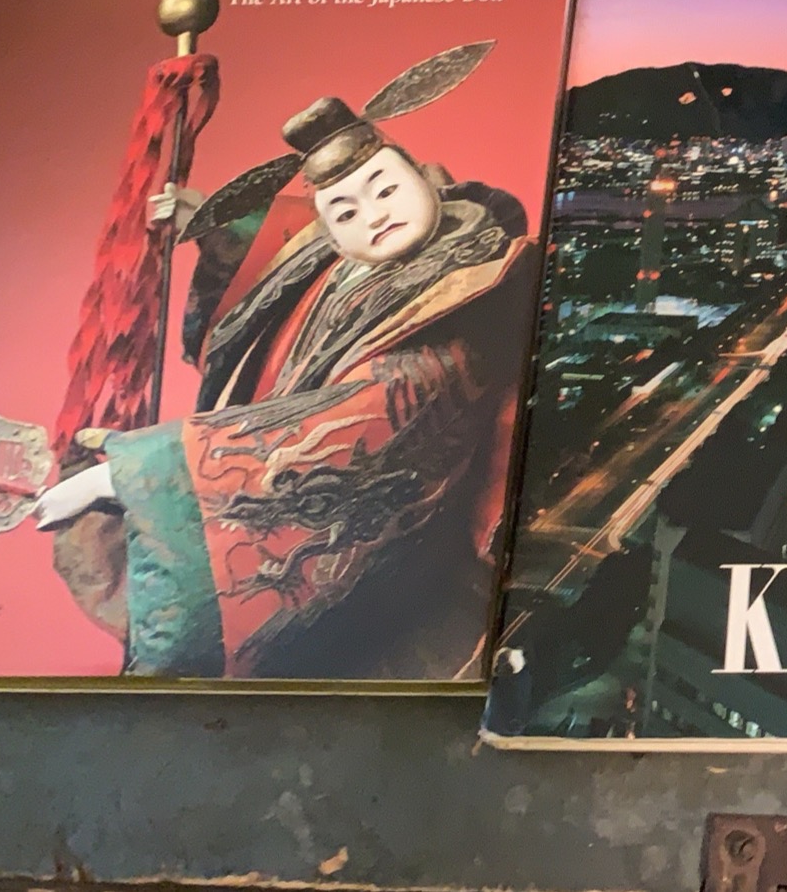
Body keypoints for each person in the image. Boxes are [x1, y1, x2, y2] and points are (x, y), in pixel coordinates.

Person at [33, 96, 538, 680]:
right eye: (345, 213)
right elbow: (279, 255)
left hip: (403, 569)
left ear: (424, 179)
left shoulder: (472, 290)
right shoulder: (338, 262)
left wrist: (136, 474)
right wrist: (218, 230)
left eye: (386, 189)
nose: (375, 216)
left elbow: (370, 418)